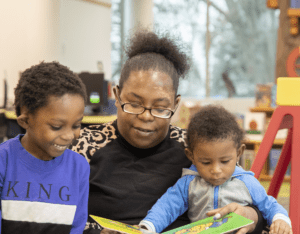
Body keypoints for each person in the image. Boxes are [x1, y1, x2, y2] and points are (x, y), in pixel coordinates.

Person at [71, 30, 265, 234]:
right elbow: (55, 217)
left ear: (175, 104)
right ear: (117, 95)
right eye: (135, 104)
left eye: (160, 107)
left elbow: (254, 203)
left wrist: (252, 216)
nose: (146, 116)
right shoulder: (83, 146)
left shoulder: (195, 147)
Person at [140, 105, 292, 234]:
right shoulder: (188, 183)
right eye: (206, 162)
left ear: (239, 153)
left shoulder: (247, 182)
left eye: (225, 161)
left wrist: (280, 219)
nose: (216, 170)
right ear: (191, 156)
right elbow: (167, 207)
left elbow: (269, 205)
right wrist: (148, 226)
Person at [0, 62, 90, 233]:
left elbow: (76, 226)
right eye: (57, 126)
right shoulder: (4, 161)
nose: (69, 136)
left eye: (76, 125)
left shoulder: (79, 167)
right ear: (25, 121)